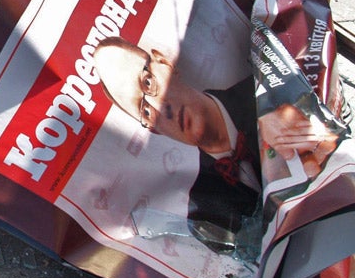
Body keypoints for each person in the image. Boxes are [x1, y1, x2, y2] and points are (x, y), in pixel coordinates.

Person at [93, 37, 339, 253]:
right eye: (145, 111)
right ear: (152, 130)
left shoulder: (267, 92)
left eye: (147, 82)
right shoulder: (201, 212)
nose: (160, 109)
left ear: (164, 62)